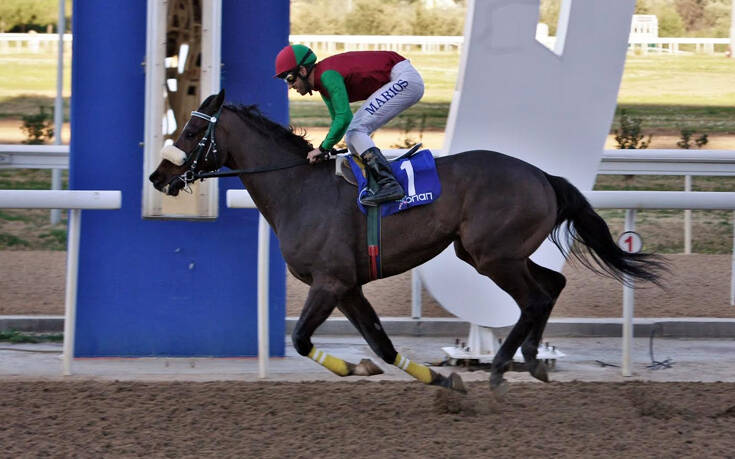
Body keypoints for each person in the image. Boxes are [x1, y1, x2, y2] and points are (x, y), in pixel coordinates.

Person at [274, 44, 425, 206]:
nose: (290, 86)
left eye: (290, 78)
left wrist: (323, 148)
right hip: (400, 76)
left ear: (303, 71)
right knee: (352, 137)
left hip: (404, 78)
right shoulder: (322, 85)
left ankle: (389, 183)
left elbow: (345, 118)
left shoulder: (327, 76)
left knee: (356, 131)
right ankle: (376, 180)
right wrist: (327, 149)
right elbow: (338, 122)